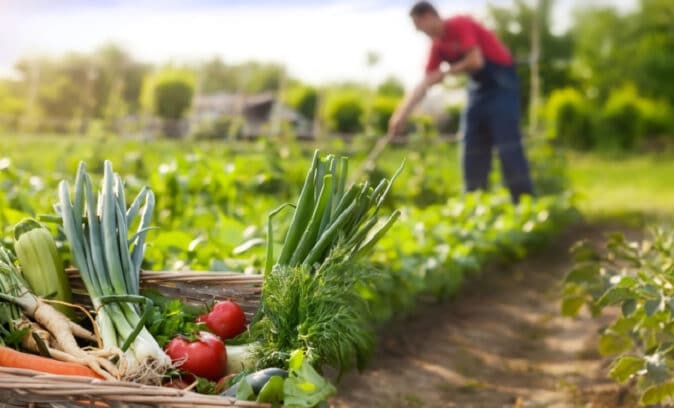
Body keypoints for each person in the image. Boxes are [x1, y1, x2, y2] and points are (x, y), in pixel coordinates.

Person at [388, 1, 534, 202]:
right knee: (471, 146)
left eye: (418, 25)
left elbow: (476, 61)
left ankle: (525, 204)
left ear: (429, 16)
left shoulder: (459, 24)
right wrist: (400, 116)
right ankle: (475, 207)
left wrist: (446, 71)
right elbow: (425, 82)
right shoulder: (437, 46)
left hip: (502, 84)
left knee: (508, 146)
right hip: (478, 89)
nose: (419, 31)